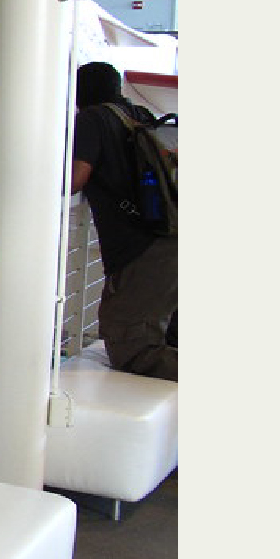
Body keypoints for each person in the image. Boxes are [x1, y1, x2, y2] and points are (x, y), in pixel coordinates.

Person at [70, 61, 178, 380]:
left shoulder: (92, 119)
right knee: (168, 336)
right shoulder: (139, 116)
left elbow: (76, 178)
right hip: (169, 236)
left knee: (133, 349)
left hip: (141, 249)